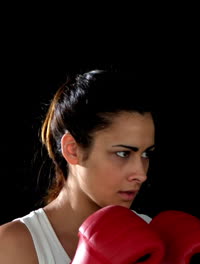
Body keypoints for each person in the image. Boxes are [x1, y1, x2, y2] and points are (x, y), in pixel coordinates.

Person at [0, 69, 157, 263]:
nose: (141, 174)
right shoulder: (14, 245)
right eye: (123, 153)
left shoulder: (154, 233)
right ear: (72, 150)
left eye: (146, 154)